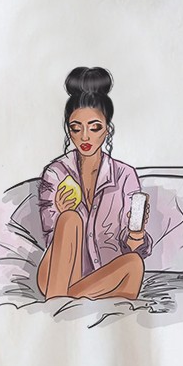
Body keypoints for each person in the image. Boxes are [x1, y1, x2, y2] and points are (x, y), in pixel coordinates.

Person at [37, 66, 153, 300]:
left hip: (102, 276)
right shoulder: (55, 173)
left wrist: (137, 233)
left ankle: (63, 301)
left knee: (134, 263)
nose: (85, 137)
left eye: (94, 127)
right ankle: (62, 298)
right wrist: (61, 213)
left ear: (107, 129)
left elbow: (130, 249)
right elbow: (51, 239)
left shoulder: (125, 176)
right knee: (70, 219)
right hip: (56, 273)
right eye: (76, 128)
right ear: (68, 130)